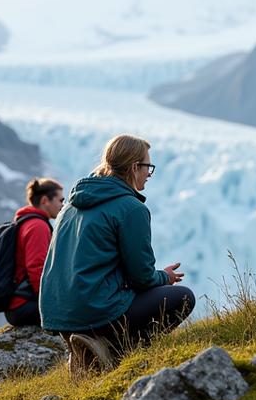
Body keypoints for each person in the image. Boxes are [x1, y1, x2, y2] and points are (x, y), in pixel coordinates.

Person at [39, 134, 195, 376]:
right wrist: (164, 277)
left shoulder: (70, 205)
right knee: (183, 298)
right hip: (95, 310)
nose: (149, 174)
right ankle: (111, 350)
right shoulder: (131, 209)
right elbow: (141, 277)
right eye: (147, 167)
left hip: (59, 313)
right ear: (134, 167)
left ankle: (82, 347)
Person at [6, 177, 64, 326]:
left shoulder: (26, 221)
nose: (63, 205)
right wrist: (50, 303)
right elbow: (37, 267)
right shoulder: (38, 226)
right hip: (25, 305)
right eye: (60, 200)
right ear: (45, 200)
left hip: (17, 305)